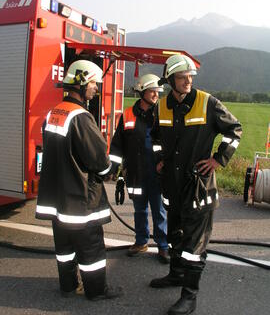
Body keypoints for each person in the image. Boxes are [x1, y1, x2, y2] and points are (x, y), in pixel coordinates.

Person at [149, 54, 242, 315]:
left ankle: (189, 297)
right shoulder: (163, 106)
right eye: (182, 77)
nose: (188, 81)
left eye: (190, 76)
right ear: (170, 80)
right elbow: (155, 136)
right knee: (175, 235)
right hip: (172, 185)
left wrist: (217, 159)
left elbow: (234, 130)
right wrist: (159, 159)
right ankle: (176, 274)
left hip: (198, 186)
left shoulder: (207, 103)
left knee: (194, 245)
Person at [36, 60, 122, 300]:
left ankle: (68, 286)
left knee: (64, 247)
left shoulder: (54, 113)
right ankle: (96, 290)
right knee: (91, 248)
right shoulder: (81, 117)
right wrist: (108, 172)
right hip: (81, 200)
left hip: (58, 200)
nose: (95, 89)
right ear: (82, 83)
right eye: (93, 83)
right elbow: (98, 160)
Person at [109, 74, 169, 263]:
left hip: (156, 172)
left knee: (159, 210)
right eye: (153, 91)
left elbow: (170, 143)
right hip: (135, 172)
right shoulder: (127, 114)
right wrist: (114, 168)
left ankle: (163, 246)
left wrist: (165, 162)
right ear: (142, 92)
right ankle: (141, 241)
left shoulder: (161, 114)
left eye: (158, 92)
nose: (156, 95)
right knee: (139, 209)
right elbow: (118, 144)